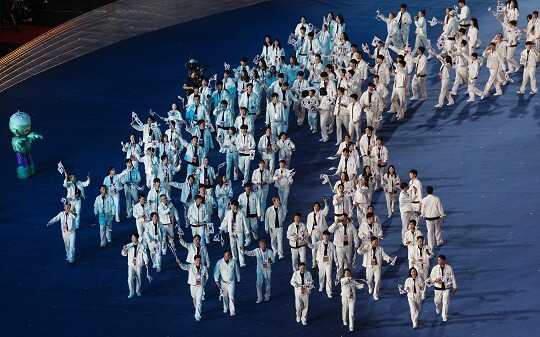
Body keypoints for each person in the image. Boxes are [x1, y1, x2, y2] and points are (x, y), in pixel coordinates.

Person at [177, 255, 208, 321]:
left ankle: (197, 316)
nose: (198, 262)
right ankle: (197, 308)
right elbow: (184, 267)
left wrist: (203, 283)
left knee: (199, 301)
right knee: (194, 299)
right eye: (197, 260)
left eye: (199, 260)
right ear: (194, 261)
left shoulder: (204, 268)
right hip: (193, 286)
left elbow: (206, 276)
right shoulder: (190, 266)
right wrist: (179, 263)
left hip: (200, 286)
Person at [329, 214, 359, 281]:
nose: (343, 219)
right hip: (339, 246)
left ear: (347, 218)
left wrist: (356, 245)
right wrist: (336, 222)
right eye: (342, 218)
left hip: (348, 246)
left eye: (345, 218)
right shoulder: (337, 225)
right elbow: (330, 230)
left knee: (348, 262)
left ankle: (346, 276)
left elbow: (355, 236)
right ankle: (338, 278)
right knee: (340, 263)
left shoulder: (351, 226)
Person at [220, 201, 250, 267]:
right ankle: (234, 258)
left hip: (239, 233)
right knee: (232, 246)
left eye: (231, 205)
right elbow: (225, 221)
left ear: (235, 206)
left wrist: (247, 232)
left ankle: (242, 262)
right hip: (231, 232)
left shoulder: (241, 213)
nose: (230, 206)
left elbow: (245, 224)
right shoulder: (228, 213)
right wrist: (221, 228)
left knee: (240, 247)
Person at [429, 255, 458, 322]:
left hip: (446, 288)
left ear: (443, 261)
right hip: (437, 288)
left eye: (439, 260)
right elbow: (431, 276)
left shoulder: (449, 268)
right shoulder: (435, 268)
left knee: (446, 302)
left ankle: (444, 315)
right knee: (437, 301)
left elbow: (452, 277)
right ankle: (437, 307)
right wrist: (436, 280)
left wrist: (454, 286)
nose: (438, 261)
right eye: (438, 260)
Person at [121, 233, 149, 298]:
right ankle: (132, 291)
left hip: (138, 265)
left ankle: (138, 291)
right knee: (130, 278)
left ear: (137, 238)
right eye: (132, 238)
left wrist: (146, 262)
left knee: (139, 279)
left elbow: (145, 255)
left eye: (134, 238)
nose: (133, 239)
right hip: (131, 265)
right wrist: (124, 249)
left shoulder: (142, 246)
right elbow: (124, 254)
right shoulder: (129, 246)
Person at [214, 250, 241, 317]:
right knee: (225, 296)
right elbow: (216, 272)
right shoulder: (219, 262)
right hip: (223, 282)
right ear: (224, 255)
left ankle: (232, 311)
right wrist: (216, 280)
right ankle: (225, 307)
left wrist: (238, 279)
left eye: (229, 255)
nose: (228, 256)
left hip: (231, 282)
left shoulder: (233, 262)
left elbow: (237, 271)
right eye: (226, 255)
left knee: (231, 296)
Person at [306, 199, 329, 269]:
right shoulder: (310, 215)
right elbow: (308, 224)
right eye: (315, 206)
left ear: (319, 207)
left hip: (321, 232)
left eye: (317, 206)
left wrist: (326, 203)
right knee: (314, 247)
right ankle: (314, 263)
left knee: (322, 247)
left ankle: (322, 261)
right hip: (313, 232)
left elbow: (326, 210)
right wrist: (308, 233)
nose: (316, 207)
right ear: (313, 207)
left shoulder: (321, 213)